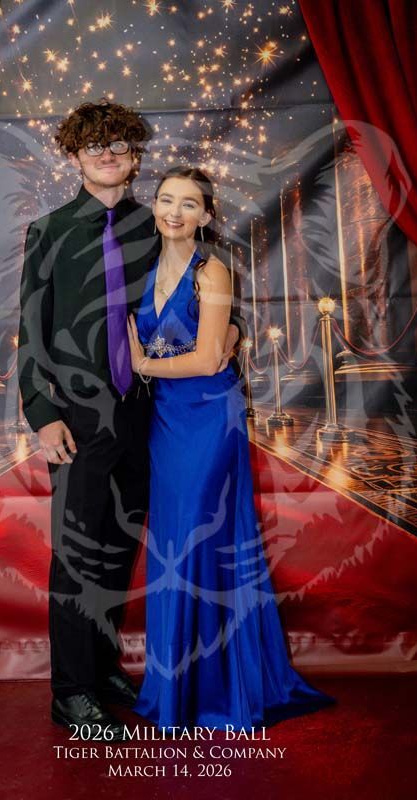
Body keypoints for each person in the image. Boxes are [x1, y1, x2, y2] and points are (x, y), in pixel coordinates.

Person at [17, 100, 242, 740]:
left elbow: (199, 293)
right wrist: (42, 413)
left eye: (118, 145)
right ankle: (71, 693)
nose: (107, 155)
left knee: (118, 551)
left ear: (135, 154)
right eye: (94, 147)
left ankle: (103, 667)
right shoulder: (49, 232)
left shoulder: (159, 224)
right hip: (80, 421)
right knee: (78, 555)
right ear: (76, 155)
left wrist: (234, 334)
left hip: (152, 417)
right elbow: (29, 331)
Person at [127, 166, 336, 729]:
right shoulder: (143, 272)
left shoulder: (212, 270)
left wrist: (142, 361)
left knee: (204, 539)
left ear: (206, 215)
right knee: (173, 541)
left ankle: (220, 690)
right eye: (166, 200)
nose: (174, 212)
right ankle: (177, 690)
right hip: (165, 422)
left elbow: (206, 358)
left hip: (209, 420)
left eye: (188, 204)